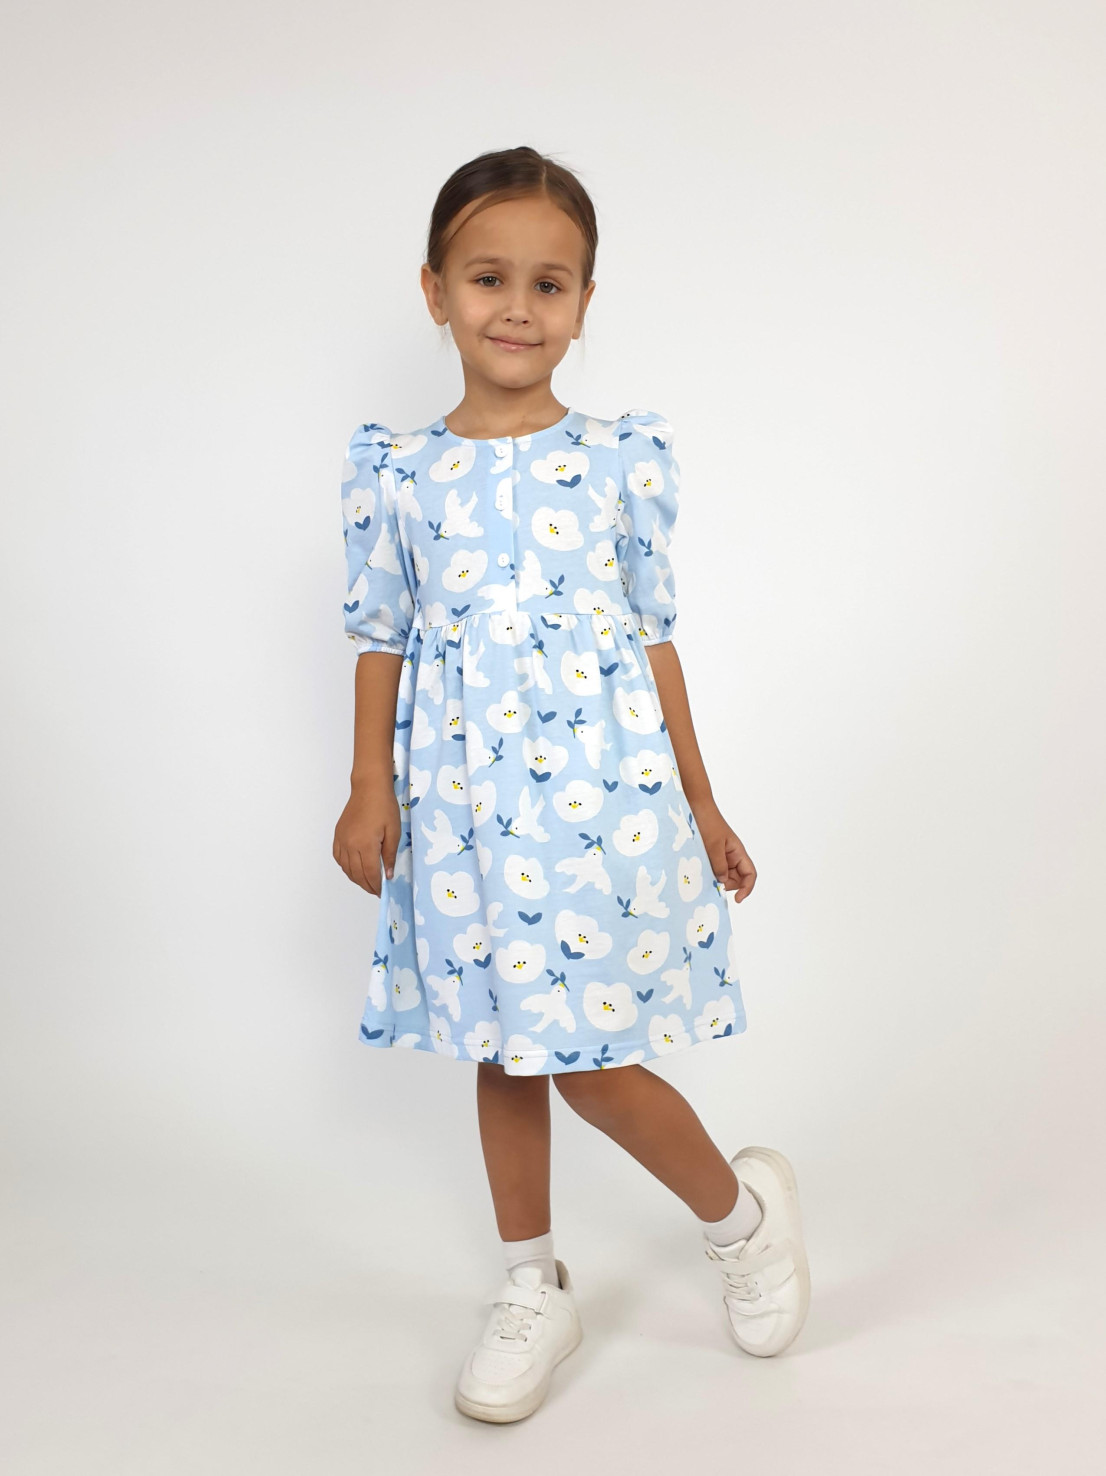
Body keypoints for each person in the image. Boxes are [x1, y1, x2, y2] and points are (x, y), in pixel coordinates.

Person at [333, 145, 810, 1423]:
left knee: (591, 1057)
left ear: (583, 303)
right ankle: (530, 1283)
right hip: (460, 810)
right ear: (434, 291)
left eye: (548, 285)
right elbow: (381, 637)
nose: (516, 307)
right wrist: (367, 787)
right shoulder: (397, 470)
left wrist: (701, 802)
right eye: (487, 278)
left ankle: (740, 1221)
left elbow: (651, 637)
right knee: (500, 1050)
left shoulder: (616, 458)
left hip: (601, 805)